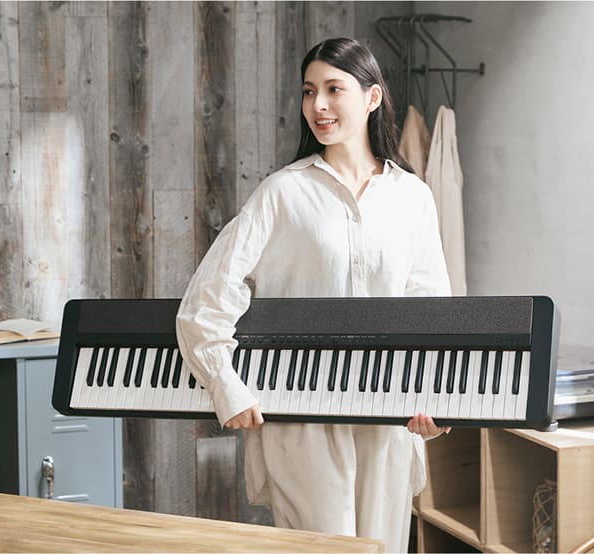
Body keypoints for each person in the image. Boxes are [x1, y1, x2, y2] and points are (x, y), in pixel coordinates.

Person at [176, 37, 451, 552]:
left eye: (333, 89)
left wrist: (434, 395)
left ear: (372, 98)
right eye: (308, 92)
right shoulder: (282, 193)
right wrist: (224, 384)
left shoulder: (413, 197)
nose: (318, 106)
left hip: (389, 419)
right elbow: (207, 298)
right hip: (300, 416)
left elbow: (431, 309)